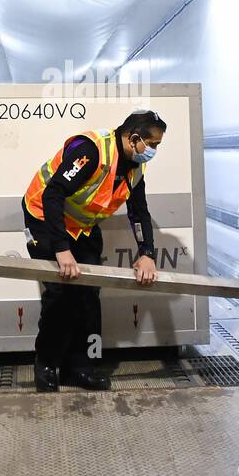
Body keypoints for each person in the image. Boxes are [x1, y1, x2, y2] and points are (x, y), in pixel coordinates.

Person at [21, 109, 166, 391]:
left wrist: (147, 253)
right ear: (134, 138)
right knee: (60, 293)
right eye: (153, 145)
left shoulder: (135, 167)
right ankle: (47, 365)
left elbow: (139, 212)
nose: (154, 151)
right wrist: (62, 250)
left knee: (88, 292)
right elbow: (52, 194)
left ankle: (82, 367)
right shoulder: (93, 151)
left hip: (80, 225)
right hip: (43, 216)